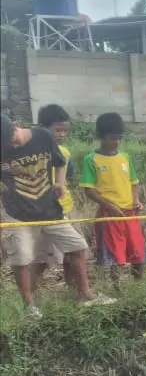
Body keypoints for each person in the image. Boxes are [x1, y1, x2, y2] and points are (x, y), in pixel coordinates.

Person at [1, 113, 112, 318]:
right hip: (17, 214)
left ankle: (85, 294)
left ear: (16, 125)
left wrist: (59, 183)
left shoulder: (43, 137)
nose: (11, 146)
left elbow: (59, 162)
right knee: (22, 258)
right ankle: (30, 307)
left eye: (11, 139)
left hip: (50, 209)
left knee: (77, 246)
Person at [81, 113, 146, 280]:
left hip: (130, 213)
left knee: (137, 251)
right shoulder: (91, 160)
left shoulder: (125, 158)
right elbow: (89, 190)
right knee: (115, 256)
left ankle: (140, 286)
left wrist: (136, 200)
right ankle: (118, 289)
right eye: (112, 138)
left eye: (119, 138)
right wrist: (110, 206)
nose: (116, 142)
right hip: (109, 215)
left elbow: (134, 182)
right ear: (101, 137)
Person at [31, 104, 76, 289]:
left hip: (66, 207)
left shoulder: (64, 152)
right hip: (42, 212)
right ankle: (33, 295)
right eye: (58, 130)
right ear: (43, 128)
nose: (62, 135)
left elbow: (67, 177)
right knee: (42, 257)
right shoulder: (31, 153)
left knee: (74, 253)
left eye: (65, 131)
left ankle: (73, 289)